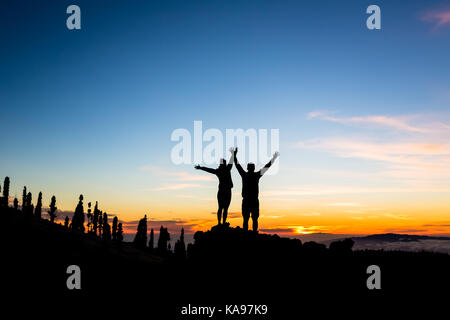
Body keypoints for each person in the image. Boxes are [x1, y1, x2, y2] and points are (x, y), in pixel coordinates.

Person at [233, 148, 279, 232]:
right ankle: (253, 234)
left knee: (247, 219)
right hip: (252, 200)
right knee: (252, 219)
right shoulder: (255, 175)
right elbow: (266, 167)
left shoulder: (246, 175)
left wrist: (234, 155)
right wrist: (273, 158)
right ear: (253, 168)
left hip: (248, 200)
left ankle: (248, 234)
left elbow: (237, 165)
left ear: (248, 168)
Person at [195, 149, 234, 225]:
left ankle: (220, 223)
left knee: (221, 208)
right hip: (226, 191)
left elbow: (209, 170)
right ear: (224, 164)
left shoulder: (219, 171)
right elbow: (231, 162)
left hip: (223, 191)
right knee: (224, 208)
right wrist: (233, 154)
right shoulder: (226, 169)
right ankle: (222, 222)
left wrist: (201, 168)